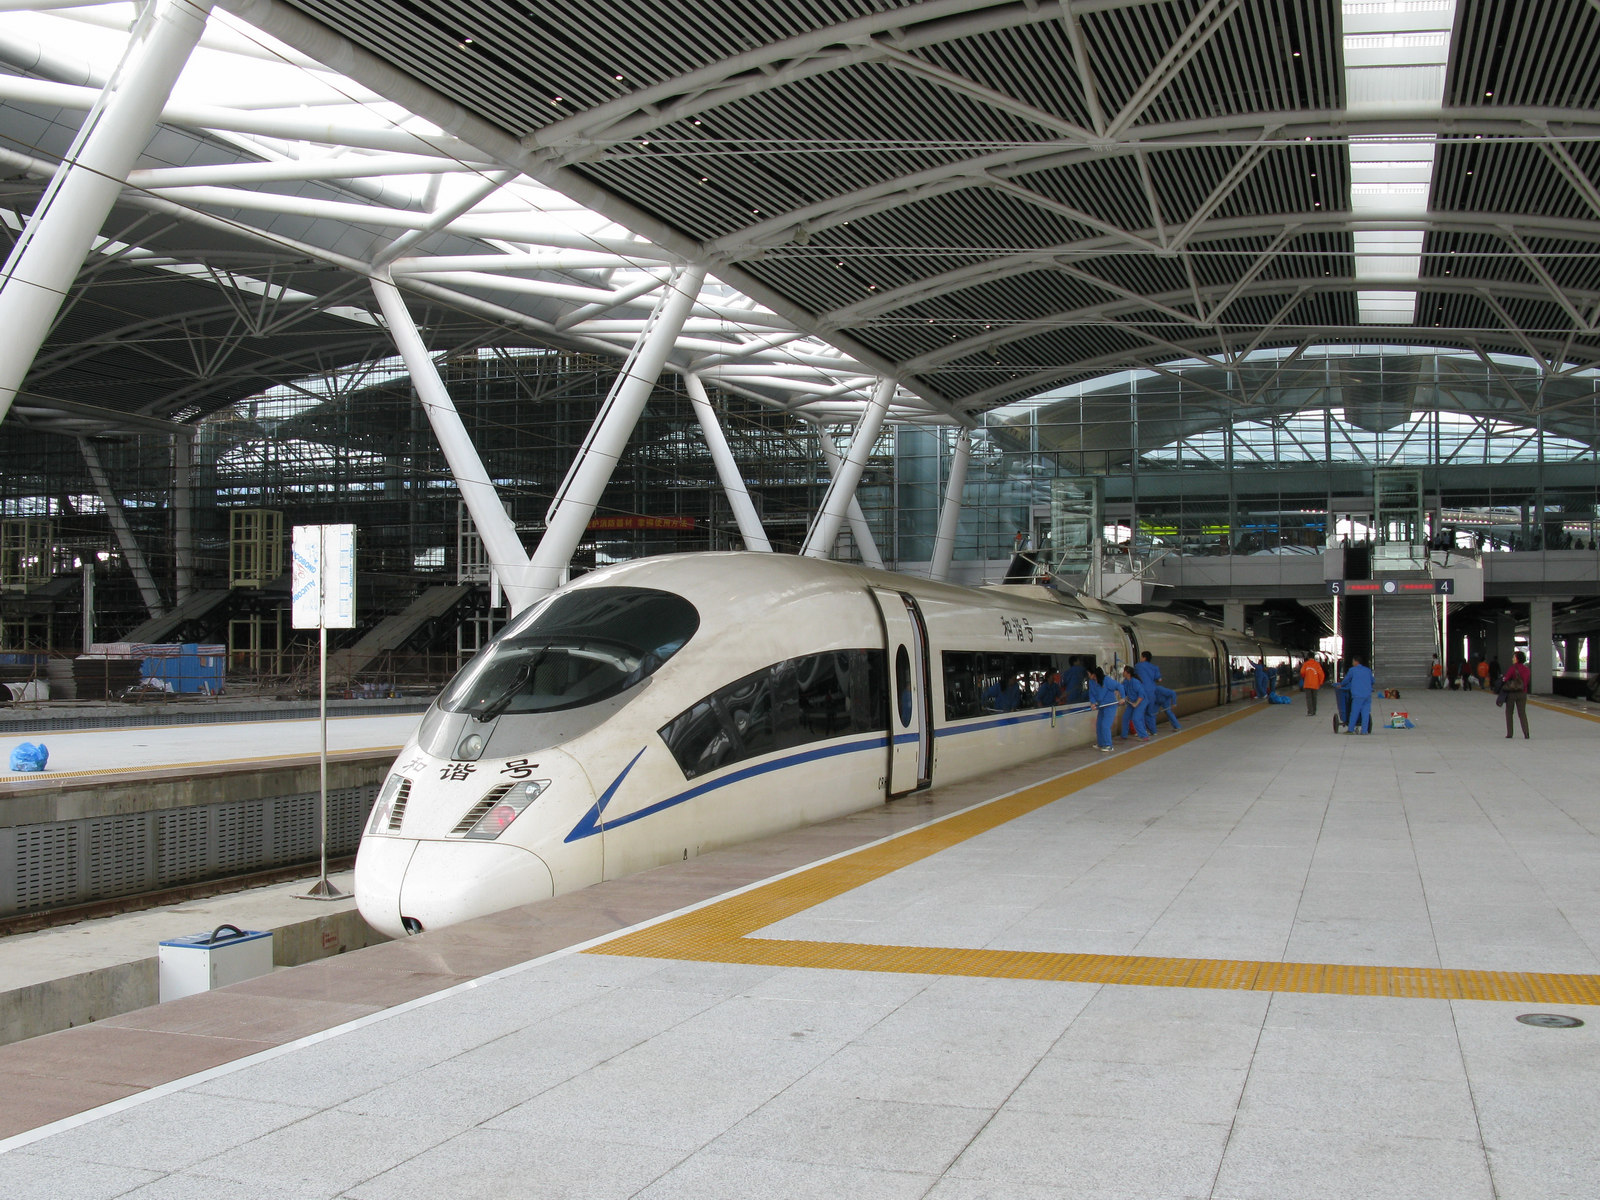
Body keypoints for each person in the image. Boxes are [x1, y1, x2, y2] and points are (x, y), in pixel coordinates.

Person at [1087, 666, 1121, 752]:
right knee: (1099, 725)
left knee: (1105, 725)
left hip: (1110, 706)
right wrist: (1093, 703)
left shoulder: (1106, 680)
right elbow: (1091, 694)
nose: (1087, 675)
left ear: (1094, 674)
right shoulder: (1091, 682)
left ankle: (1109, 745)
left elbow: (1119, 686)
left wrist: (1122, 697)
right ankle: (1101, 743)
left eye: (1088, 674)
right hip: (1102, 706)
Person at [1500, 650, 1531, 739]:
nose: (1512, 658)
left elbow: (1506, 679)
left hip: (1512, 693)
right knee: (1522, 713)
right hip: (1522, 693)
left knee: (1509, 712)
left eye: (1514, 657)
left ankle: (1510, 733)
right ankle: (1526, 733)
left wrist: (1503, 680)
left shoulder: (1513, 668)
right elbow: (1526, 681)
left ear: (1517, 659)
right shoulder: (1526, 669)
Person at [1120, 665, 1152, 741]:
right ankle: (1124, 735)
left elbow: (1141, 695)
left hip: (1141, 701)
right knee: (1125, 718)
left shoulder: (1135, 682)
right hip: (1132, 701)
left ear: (1127, 673)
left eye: (1124, 671)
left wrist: (1136, 704)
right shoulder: (1125, 681)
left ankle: (1144, 736)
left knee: (1136, 718)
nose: (1122, 673)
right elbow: (1121, 688)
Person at [1344, 653, 1373, 733]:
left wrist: (1341, 685)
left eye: (1353, 661)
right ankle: (1364, 731)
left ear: (1356, 662)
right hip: (1367, 695)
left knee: (1354, 712)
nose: (1352, 663)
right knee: (1365, 713)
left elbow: (1346, 680)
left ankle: (1350, 729)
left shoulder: (1352, 670)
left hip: (1358, 695)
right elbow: (1372, 681)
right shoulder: (1368, 670)